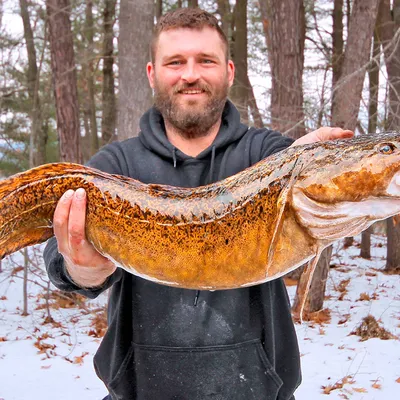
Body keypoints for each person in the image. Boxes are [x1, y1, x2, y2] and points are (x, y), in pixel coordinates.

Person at [44, 8, 353, 400]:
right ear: (153, 73)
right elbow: (58, 256)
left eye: (205, 60)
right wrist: (82, 268)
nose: (190, 74)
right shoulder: (116, 167)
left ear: (228, 71)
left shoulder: (267, 156)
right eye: (176, 62)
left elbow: (300, 172)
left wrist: (309, 161)